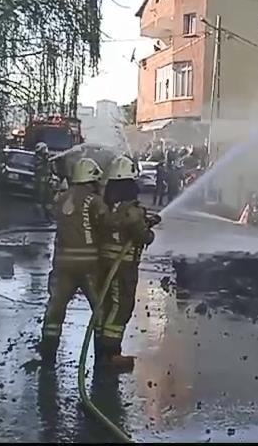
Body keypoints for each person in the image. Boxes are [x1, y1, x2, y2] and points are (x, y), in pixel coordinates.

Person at [38, 157, 107, 365]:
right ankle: (102, 356)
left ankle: (48, 353)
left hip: (62, 265)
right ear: (91, 179)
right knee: (99, 308)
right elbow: (106, 223)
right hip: (89, 266)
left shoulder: (61, 199)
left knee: (56, 307)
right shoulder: (94, 201)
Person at [95, 155, 157, 371]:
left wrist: (145, 221)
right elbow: (142, 236)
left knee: (106, 305)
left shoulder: (106, 205)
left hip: (103, 262)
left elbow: (118, 226)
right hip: (123, 266)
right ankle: (111, 353)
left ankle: (100, 347)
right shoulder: (132, 209)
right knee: (122, 306)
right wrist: (148, 230)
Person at [33, 142, 53, 221]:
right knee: (40, 198)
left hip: (47, 181)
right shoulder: (38, 159)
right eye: (44, 149)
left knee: (48, 199)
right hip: (40, 181)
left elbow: (51, 170)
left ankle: (48, 215)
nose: (46, 151)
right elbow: (38, 168)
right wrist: (45, 161)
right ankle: (40, 217)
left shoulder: (46, 159)